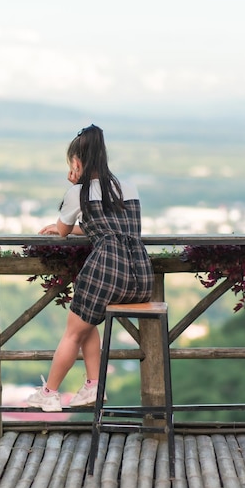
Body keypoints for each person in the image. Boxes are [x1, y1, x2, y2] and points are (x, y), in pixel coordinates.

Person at [26, 124, 154, 411]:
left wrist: (74, 189)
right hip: (141, 277)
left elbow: (62, 230)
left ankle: (49, 393)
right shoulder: (127, 188)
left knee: (73, 331)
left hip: (107, 270)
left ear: (76, 162)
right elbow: (118, 227)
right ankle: (93, 387)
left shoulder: (78, 192)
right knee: (88, 320)